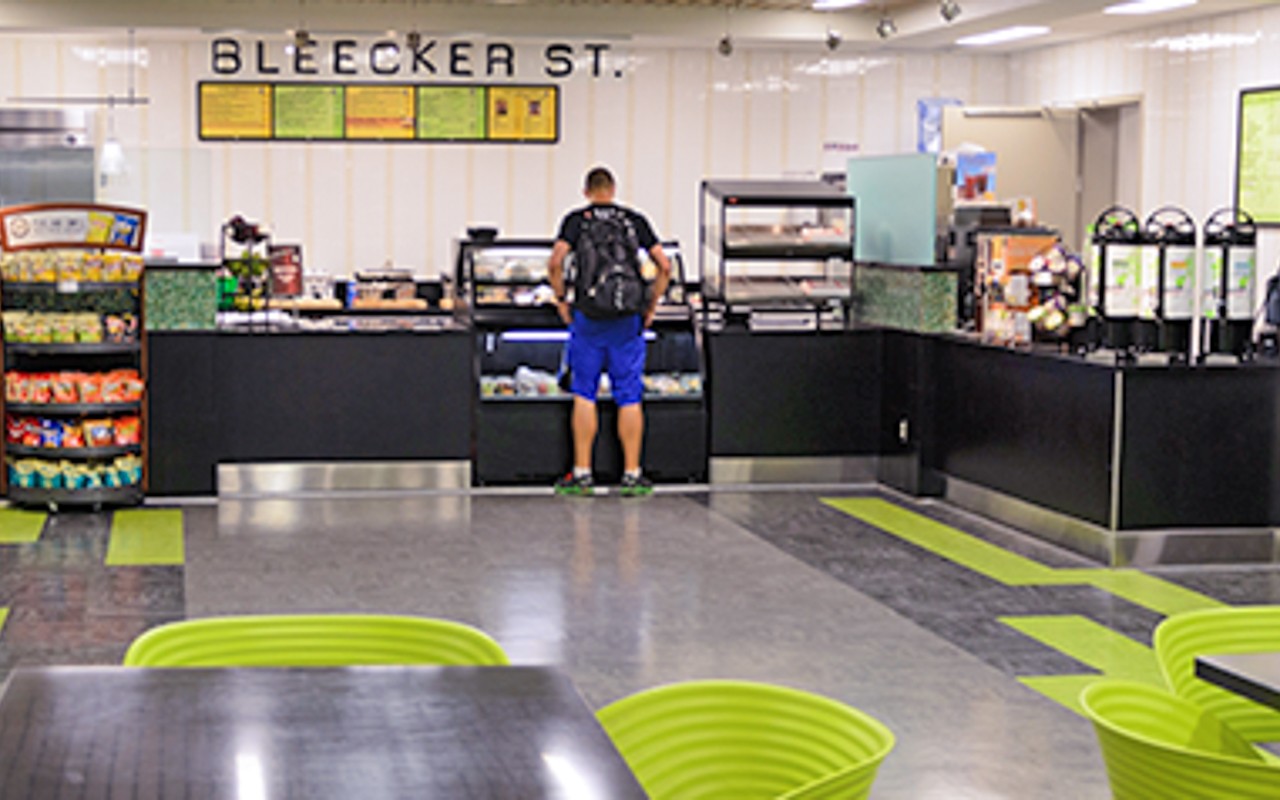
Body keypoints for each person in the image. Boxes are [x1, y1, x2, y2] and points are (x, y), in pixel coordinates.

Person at [548, 166, 672, 497]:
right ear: (613, 190)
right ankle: (632, 475)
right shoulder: (634, 220)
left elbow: (555, 262)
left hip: (588, 319)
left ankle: (582, 473)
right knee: (629, 395)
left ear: (586, 191)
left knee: (584, 393)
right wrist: (651, 304)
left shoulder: (577, 220)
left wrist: (561, 300)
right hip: (627, 322)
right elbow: (665, 265)